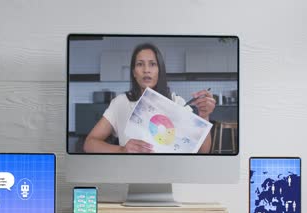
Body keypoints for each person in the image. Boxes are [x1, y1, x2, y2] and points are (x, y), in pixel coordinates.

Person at [84, 43, 215, 153]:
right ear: (134, 72)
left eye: (152, 64)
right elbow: (89, 144)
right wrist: (122, 150)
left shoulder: (177, 103)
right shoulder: (121, 103)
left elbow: (203, 151)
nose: (146, 70)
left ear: (160, 70)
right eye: (140, 64)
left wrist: (204, 116)